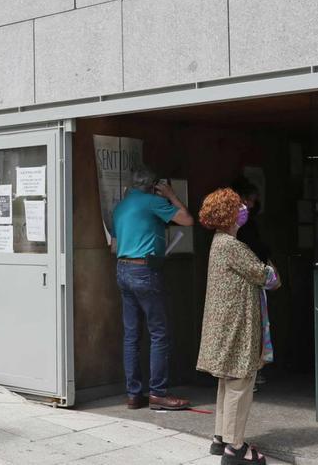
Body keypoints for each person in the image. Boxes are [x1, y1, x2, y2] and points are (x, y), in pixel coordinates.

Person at [197, 188, 281, 464]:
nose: (244, 209)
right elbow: (265, 275)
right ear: (230, 215)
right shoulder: (232, 246)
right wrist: (270, 266)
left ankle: (221, 438)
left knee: (227, 380)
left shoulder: (218, 242)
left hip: (224, 324)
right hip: (236, 326)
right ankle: (236, 448)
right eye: (239, 206)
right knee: (240, 382)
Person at [112, 167, 194, 410]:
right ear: (152, 185)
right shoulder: (152, 202)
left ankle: (134, 394)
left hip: (123, 269)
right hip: (144, 270)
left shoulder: (121, 206)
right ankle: (158, 393)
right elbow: (187, 219)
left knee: (131, 335)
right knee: (159, 333)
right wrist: (171, 194)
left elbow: (117, 238)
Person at [230, 177, 273, 390]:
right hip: (249, 279)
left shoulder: (244, 225)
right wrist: (267, 266)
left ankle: (253, 371)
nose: (254, 205)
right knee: (252, 326)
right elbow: (253, 251)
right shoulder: (236, 233)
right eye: (251, 200)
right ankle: (250, 372)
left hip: (251, 277)